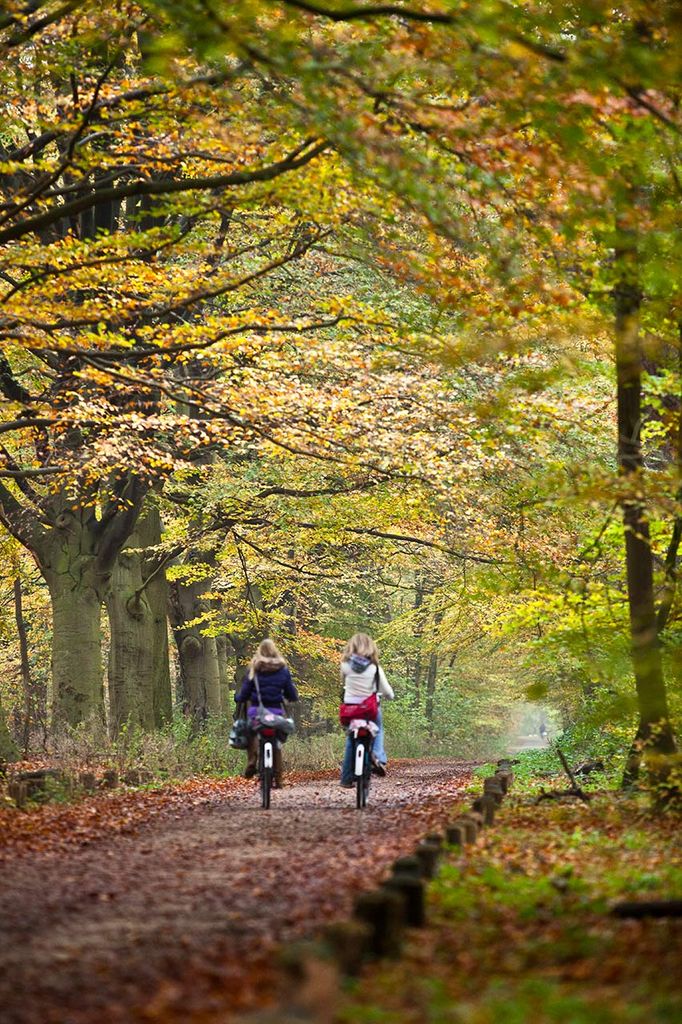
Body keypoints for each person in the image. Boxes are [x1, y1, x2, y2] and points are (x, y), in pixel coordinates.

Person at [234, 639, 298, 787]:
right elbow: (291, 692)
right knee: (277, 741)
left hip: (256, 712)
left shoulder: (254, 669)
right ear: (275, 651)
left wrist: (239, 698)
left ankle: (252, 759)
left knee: (253, 731)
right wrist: (291, 697)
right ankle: (279, 778)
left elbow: (244, 693)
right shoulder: (282, 669)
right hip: (275, 712)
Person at [340, 632, 394, 787]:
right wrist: (388, 695)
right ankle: (377, 757)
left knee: (351, 738)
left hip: (350, 710)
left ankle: (346, 778)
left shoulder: (345, 666)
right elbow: (387, 690)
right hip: (369, 710)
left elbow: (343, 684)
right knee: (379, 729)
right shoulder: (374, 668)